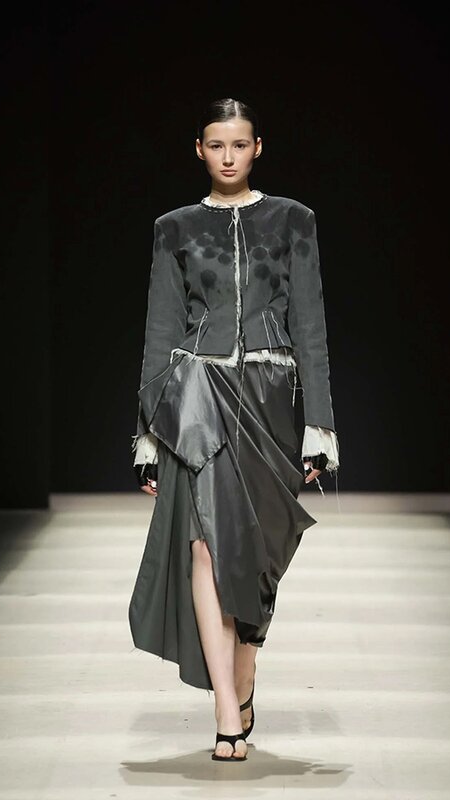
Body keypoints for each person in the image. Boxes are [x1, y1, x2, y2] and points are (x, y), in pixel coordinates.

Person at [127, 98, 340, 763]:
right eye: (216, 145)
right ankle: (226, 708)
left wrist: (319, 425)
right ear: (199, 149)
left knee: (260, 556)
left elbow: (311, 327)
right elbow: (161, 331)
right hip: (199, 396)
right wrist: (148, 434)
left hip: (272, 397)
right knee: (206, 549)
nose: (227, 156)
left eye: (239, 144)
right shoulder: (175, 229)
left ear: (257, 148)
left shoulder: (293, 220)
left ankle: (244, 669)